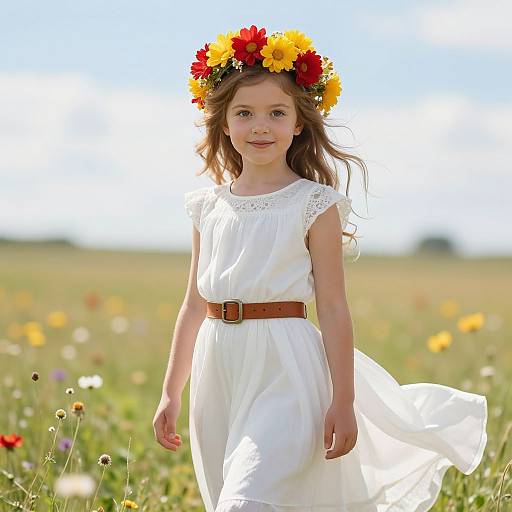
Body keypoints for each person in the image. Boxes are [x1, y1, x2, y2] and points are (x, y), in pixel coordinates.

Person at [153, 25, 488, 512]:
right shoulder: (207, 206)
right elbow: (192, 306)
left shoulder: (314, 205)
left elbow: (332, 307)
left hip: (286, 365)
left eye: (276, 112)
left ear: (298, 124)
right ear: (223, 123)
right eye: (244, 113)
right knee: (233, 495)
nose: (260, 126)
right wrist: (170, 392)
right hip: (219, 366)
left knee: (245, 502)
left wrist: (344, 401)